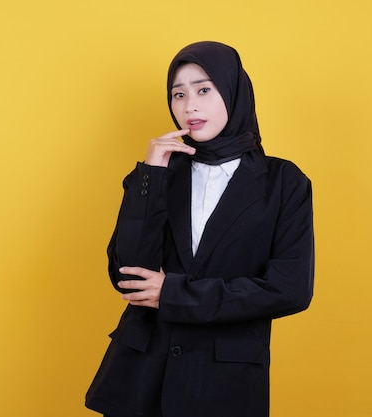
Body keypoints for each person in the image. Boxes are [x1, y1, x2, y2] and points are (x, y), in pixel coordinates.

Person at [85, 41, 314, 417]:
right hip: (142, 379)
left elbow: (289, 290)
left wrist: (173, 294)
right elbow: (128, 276)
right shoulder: (156, 175)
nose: (189, 106)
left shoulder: (283, 182)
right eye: (178, 94)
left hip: (224, 381)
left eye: (204, 89)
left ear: (233, 91)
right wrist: (151, 175)